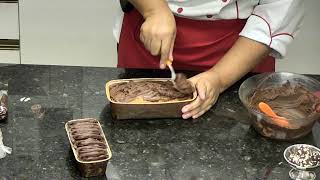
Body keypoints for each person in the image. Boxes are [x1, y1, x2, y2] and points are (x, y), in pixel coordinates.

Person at [113, 0, 304, 119]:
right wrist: (153, 10)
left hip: (240, 49)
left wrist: (219, 78)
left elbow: (279, 8)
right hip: (149, 35)